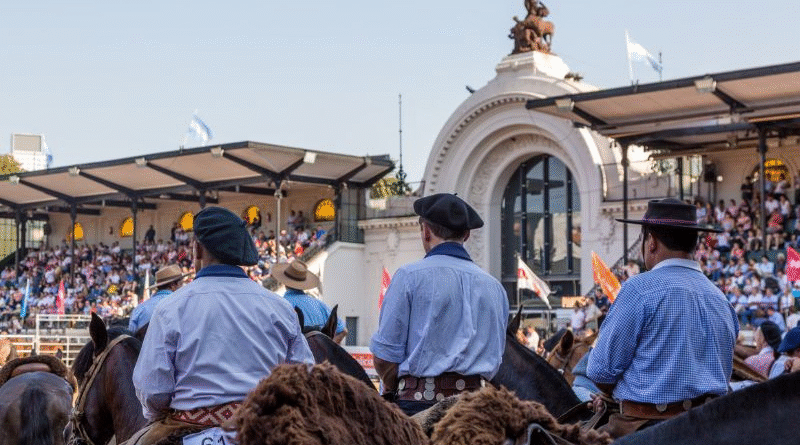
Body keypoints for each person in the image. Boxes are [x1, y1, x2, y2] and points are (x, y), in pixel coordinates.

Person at [129, 207, 314, 445]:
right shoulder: (279, 307)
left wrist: (160, 416)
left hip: (188, 431)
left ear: (197, 248)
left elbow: (153, 389)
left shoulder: (170, 308)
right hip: (266, 431)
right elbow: (305, 376)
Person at [586, 198, 738, 439]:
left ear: (652, 242)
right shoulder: (720, 298)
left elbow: (600, 372)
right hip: (712, 428)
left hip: (646, 430)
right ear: (693, 244)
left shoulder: (639, 290)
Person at [370, 193, 509, 416]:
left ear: (426, 231)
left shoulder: (409, 277)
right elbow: (498, 355)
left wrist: (394, 387)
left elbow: (384, 356)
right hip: (480, 410)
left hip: (418, 407)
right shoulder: (495, 288)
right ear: (467, 234)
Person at [273, 260, 348, 344]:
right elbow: (343, 331)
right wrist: (328, 349)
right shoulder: (320, 305)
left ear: (285, 282)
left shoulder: (280, 304)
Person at [127, 264, 184, 334]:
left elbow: (131, 339)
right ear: (173, 285)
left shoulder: (139, 309)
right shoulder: (181, 304)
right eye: (181, 284)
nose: (183, 287)